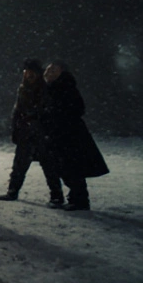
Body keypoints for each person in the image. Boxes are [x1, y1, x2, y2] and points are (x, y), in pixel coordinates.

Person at [40, 62, 109, 211]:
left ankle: (80, 200)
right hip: (61, 134)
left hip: (69, 135)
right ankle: (77, 198)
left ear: (61, 72)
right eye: (48, 69)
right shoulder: (52, 88)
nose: (49, 72)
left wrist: (58, 118)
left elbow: (77, 109)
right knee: (65, 167)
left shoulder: (65, 87)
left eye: (53, 70)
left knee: (71, 167)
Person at [0, 58, 61, 204]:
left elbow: (45, 109)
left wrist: (37, 121)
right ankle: (12, 191)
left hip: (39, 132)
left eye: (31, 72)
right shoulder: (24, 88)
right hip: (26, 131)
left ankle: (56, 196)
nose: (28, 75)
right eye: (26, 72)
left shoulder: (43, 89)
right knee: (20, 164)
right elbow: (17, 110)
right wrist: (16, 128)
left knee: (48, 165)